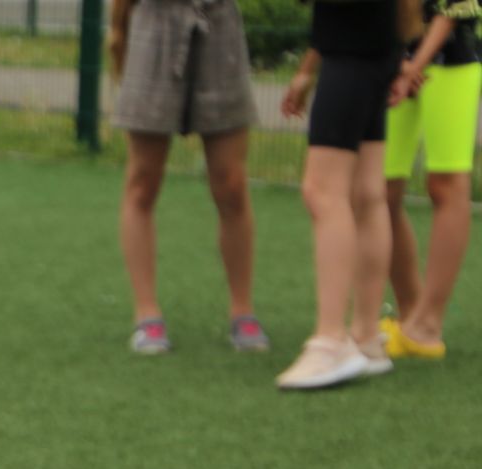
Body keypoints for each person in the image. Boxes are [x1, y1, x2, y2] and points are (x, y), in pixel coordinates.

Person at [108, 0, 269, 354]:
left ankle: (242, 311)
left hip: (219, 21)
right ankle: (146, 314)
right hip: (154, 21)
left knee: (232, 184)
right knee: (142, 183)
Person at [278, 0, 414, 388]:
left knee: (323, 191)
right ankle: (366, 338)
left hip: (354, 48)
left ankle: (331, 341)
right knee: (366, 193)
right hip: (372, 44)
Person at [380, 0, 480, 359]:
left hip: (452, 58)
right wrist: (395, 60)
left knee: (446, 184)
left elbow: (459, 7)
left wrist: (414, 66)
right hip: (390, 59)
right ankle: (409, 313)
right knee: (379, 191)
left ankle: (426, 326)